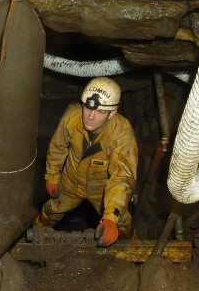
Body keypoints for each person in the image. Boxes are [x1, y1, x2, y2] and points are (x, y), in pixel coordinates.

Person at [34, 76, 138, 246]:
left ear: (112, 113)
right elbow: (58, 147)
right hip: (71, 182)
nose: (90, 116)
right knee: (51, 211)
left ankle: (133, 248)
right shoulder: (71, 118)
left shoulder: (122, 134)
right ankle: (32, 235)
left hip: (103, 190)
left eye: (100, 112)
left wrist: (111, 217)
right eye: (87, 108)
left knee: (121, 222)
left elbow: (122, 177)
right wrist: (52, 176)